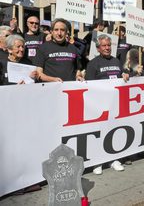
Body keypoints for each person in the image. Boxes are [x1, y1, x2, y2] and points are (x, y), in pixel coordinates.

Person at [85, 34, 129, 175]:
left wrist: (125, 75)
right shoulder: (93, 64)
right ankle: (98, 162)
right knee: (99, 133)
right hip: (99, 105)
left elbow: (122, 77)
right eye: (104, 45)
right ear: (98, 48)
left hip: (115, 105)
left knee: (114, 132)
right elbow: (89, 86)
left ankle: (113, 159)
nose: (107, 48)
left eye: (109, 45)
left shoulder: (116, 61)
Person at [34, 18, 84, 82]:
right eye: (56, 30)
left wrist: (78, 76)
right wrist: (53, 79)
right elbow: (38, 74)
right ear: (51, 32)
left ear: (66, 32)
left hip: (69, 89)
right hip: (50, 89)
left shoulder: (73, 48)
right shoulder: (43, 48)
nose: (59, 33)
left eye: (62, 30)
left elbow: (77, 70)